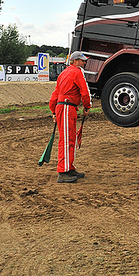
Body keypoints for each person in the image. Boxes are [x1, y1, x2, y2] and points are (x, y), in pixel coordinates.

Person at [49, 51, 92, 183]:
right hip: (68, 107)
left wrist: (53, 111)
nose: (84, 62)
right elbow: (84, 91)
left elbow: (55, 94)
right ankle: (63, 171)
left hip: (63, 107)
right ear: (75, 61)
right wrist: (87, 105)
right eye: (82, 60)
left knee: (69, 138)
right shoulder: (77, 72)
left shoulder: (63, 73)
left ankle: (69, 167)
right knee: (67, 140)